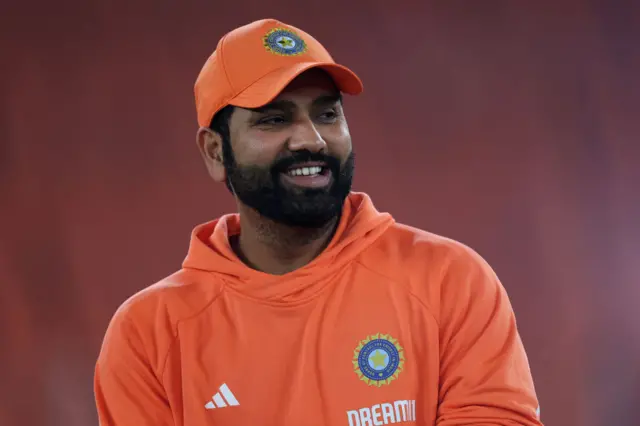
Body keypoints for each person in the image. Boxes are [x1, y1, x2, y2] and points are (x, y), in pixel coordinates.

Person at [94, 18, 543, 426]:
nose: (310, 138)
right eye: (273, 119)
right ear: (215, 152)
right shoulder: (148, 334)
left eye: (327, 114)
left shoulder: (449, 281)